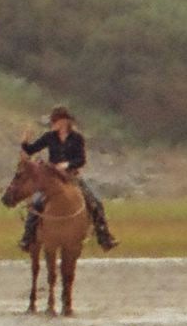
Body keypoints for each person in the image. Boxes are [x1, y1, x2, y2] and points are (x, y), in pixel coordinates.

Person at [20, 106, 118, 252]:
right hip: (53, 178)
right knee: (36, 202)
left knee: (95, 201)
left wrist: (68, 164)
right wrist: (25, 141)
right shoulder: (49, 137)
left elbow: (81, 160)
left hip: (72, 176)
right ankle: (28, 237)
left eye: (55, 121)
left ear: (64, 121)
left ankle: (104, 236)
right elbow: (31, 150)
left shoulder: (77, 138)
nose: (52, 124)